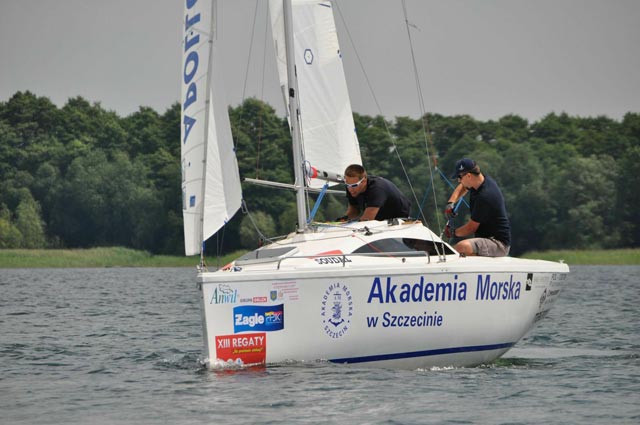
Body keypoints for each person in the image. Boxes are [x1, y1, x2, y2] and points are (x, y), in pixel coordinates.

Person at [444, 158, 511, 257]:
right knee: (461, 249)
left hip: (498, 244)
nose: (458, 180)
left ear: (469, 176)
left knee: (462, 247)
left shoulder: (485, 196)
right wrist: (451, 203)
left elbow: (471, 228)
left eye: (459, 177)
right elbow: (463, 187)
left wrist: (453, 233)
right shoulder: (480, 181)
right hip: (487, 239)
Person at [340, 164, 411, 221]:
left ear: (364, 181)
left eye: (354, 185)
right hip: (378, 217)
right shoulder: (350, 186)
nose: (350, 189)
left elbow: (367, 219)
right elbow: (354, 210)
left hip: (398, 217)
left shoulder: (377, 188)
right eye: (347, 185)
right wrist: (342, 220)